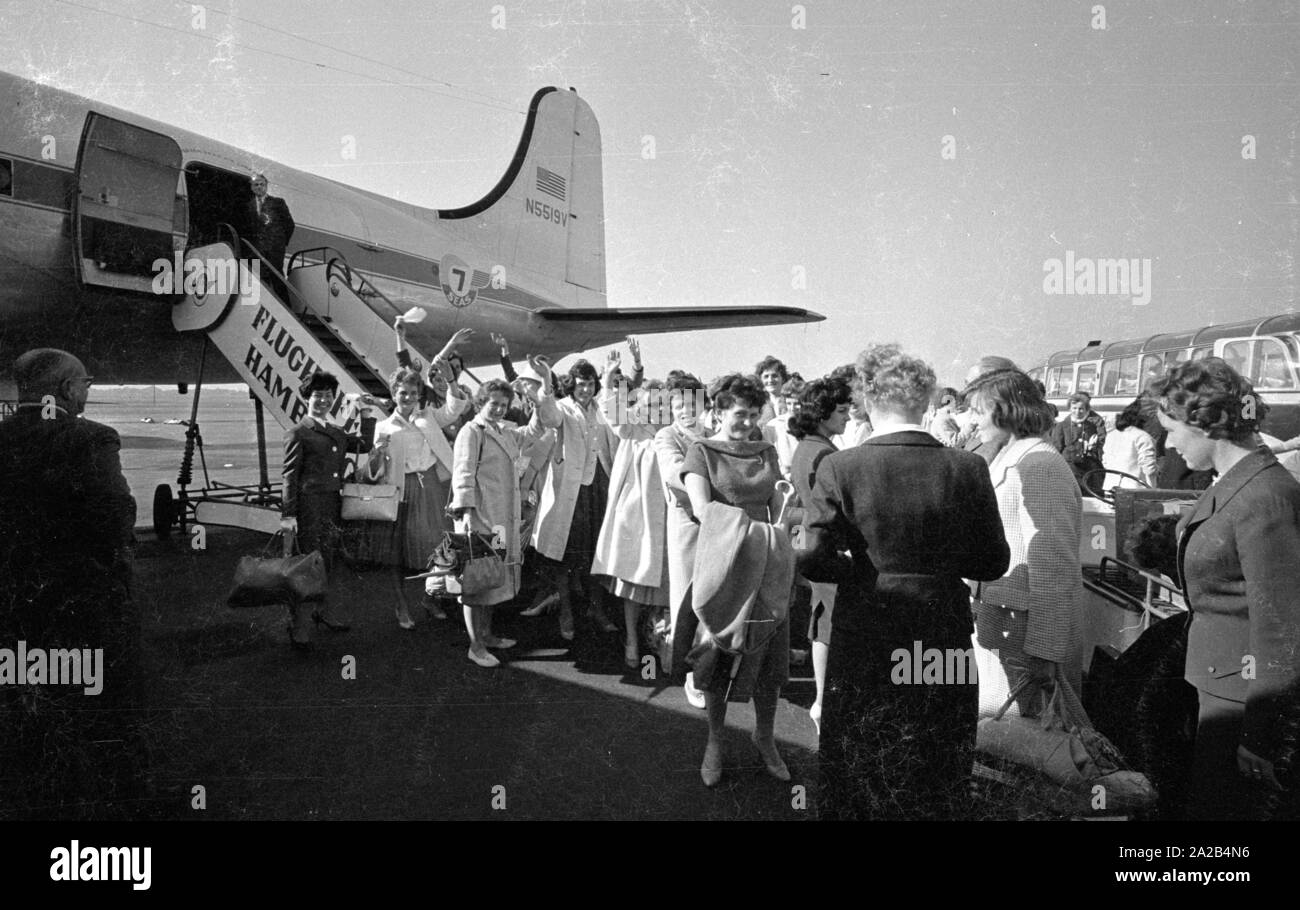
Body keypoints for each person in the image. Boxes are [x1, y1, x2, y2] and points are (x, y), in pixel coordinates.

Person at [798, 344, 1010, 819]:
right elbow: (992, 561)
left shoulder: (841, 466)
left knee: (860, 758)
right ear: (927, 401)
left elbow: (811, 557)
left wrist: (861, 570)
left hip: (865, 630)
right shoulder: (967, 467)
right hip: (941, 630)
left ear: (867, 403)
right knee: (938, 759)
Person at [1150, 358, 1300, 819]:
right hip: (1222, 690)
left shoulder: (1264, 496)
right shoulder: (1239, 485)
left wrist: (1262, 735)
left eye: (1172, 428)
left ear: (1207, 424)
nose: (1168, 443)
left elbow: (1282, 628)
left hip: (1242, 708)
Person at [0, 349, 145, 817]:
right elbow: (115, 516)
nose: (86, 393)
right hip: (81, 607)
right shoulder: (91, 439)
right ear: (65, 389)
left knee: (27, 715)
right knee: (101, 713)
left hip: (14, 609)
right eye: (85, 384)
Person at [677, 373, 794, 787]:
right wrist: (760, 529)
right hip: (723, 564)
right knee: (717, 657)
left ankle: (766, 739)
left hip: (766, 566)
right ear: (718, 412)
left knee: (769, 659)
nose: (746, 422)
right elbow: (703, 509)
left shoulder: (767, 452)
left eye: (753, 414)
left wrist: (787, 513)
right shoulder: (701, 452)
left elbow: (780, 505)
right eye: (739, 414)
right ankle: (714, 741)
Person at [964, 369, 1084, 717]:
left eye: (978, 410)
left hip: (1025, 634)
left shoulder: (1040, 465)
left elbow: (1052, 565)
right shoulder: (1011, 456)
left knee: (1031, 737)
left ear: (1006, 410)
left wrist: (1045, 650)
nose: (972, 421)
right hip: (1004, 622)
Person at [450, 361, 561, 667]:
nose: (498, 409)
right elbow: (463, 475)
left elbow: (537, 428)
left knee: (492, 578)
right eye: (493, 404)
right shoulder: (471, 432)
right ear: (480, 403)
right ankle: (475, 645)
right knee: (475, 581)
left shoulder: (505, 431)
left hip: (500, 522)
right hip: (480, 518)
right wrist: (468, 514)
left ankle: (486, 635)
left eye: (503, 404)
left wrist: (541, 393)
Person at [364, 347, 470, 629]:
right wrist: (376, 455)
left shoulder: (428, 416)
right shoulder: (384, 427)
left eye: (412, 393)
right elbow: (375, 471)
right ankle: (401, 604)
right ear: (394, 394)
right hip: (403, 492)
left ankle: (431, 597)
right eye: (403, 393)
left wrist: (451, 381)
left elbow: (454, 408)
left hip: (433, 487)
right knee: (399, 553)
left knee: (442, 548)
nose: (409, 398)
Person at [280, 370, 383, 647]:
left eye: (328, 396)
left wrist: (365, 414)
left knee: (328, 561)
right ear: (307, 399)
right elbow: (289, 476)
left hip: (332, 504)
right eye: (317, 396)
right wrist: (288, 514)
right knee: (308, 564)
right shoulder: (299, 433)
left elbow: (364, 445)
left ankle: (321, 612)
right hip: (309, 506)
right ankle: (298, 624)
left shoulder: (335, 431)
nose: (323, 401)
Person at [531, 358, 620, 640]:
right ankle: (566, 612)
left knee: (597, 552)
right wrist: (546, 382)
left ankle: (596, 608)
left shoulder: (603, 406)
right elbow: (548, 418)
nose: (585, 389)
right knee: (566, 555)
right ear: (572, 385)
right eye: (581, 384)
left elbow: (620, 425)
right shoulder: (564, 408)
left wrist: (609, 380)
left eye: (590, 384)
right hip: (571, 492)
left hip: (600, 488)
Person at [591, 353, 670, 668]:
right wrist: (609, 376)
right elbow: (611, 412)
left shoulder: (671, 432)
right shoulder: (631, 428)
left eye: (660, 404)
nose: (654, 409)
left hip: (666, 516)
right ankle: (632, 639)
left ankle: (662, 640)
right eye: (649, 403)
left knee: (665, 585)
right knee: (633, 582)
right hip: (636, 516)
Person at [786, 376, 852, 734]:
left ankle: (824, 700)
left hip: (808, 543)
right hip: (824, 546)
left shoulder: (807, 446)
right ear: (823, 413)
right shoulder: (824, 453)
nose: (848, 416)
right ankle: (824, 703)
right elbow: (829, 508)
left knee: (820, 619)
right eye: (841, 410)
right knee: (826, 624)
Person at [653, 373, 708, 708]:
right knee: (686, 599)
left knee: (715, 596)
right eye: (679, 405)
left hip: (719, 523)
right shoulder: (666, 436)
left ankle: (709, 663)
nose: (686, 411)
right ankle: (690, 674)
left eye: (692, 404)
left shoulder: (715, 434)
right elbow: (674, 475)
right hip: (687, 523)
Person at [245, 172, 294, 301]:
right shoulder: (248, 206)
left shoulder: (278, 202)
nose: (259, 187)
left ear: (266, 186)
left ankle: (285, 309)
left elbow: (289, 225)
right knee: (258, 279)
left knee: (277, 277)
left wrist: (280, 243)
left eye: (262, 184)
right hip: (257, 249)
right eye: (256, 185)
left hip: (274, 248)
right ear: (252, 187)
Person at [1048, 390, 1107, 495]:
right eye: (1074, 408)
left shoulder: (1092, 426)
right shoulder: (1062, 426)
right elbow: (1056, 449)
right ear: (1070, 409)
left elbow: (1099, 445)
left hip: (1089, 468)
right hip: (1070, 468)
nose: (1077, 412)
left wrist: (1094, 445)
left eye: (1081, 409)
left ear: (1086, 410)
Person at [1102, 399, 1158, 491]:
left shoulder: (1112, 434)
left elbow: (1105, 462)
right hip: (1134, 490)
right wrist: (1153, 491)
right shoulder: (1143, 437)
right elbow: (1149, 469)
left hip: (1109, 487)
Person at [755, 355, 790, 425]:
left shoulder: (791, 401)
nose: (770, 380)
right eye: (766, 376)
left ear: (782, 378)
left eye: (774, 376)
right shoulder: (758, 403)